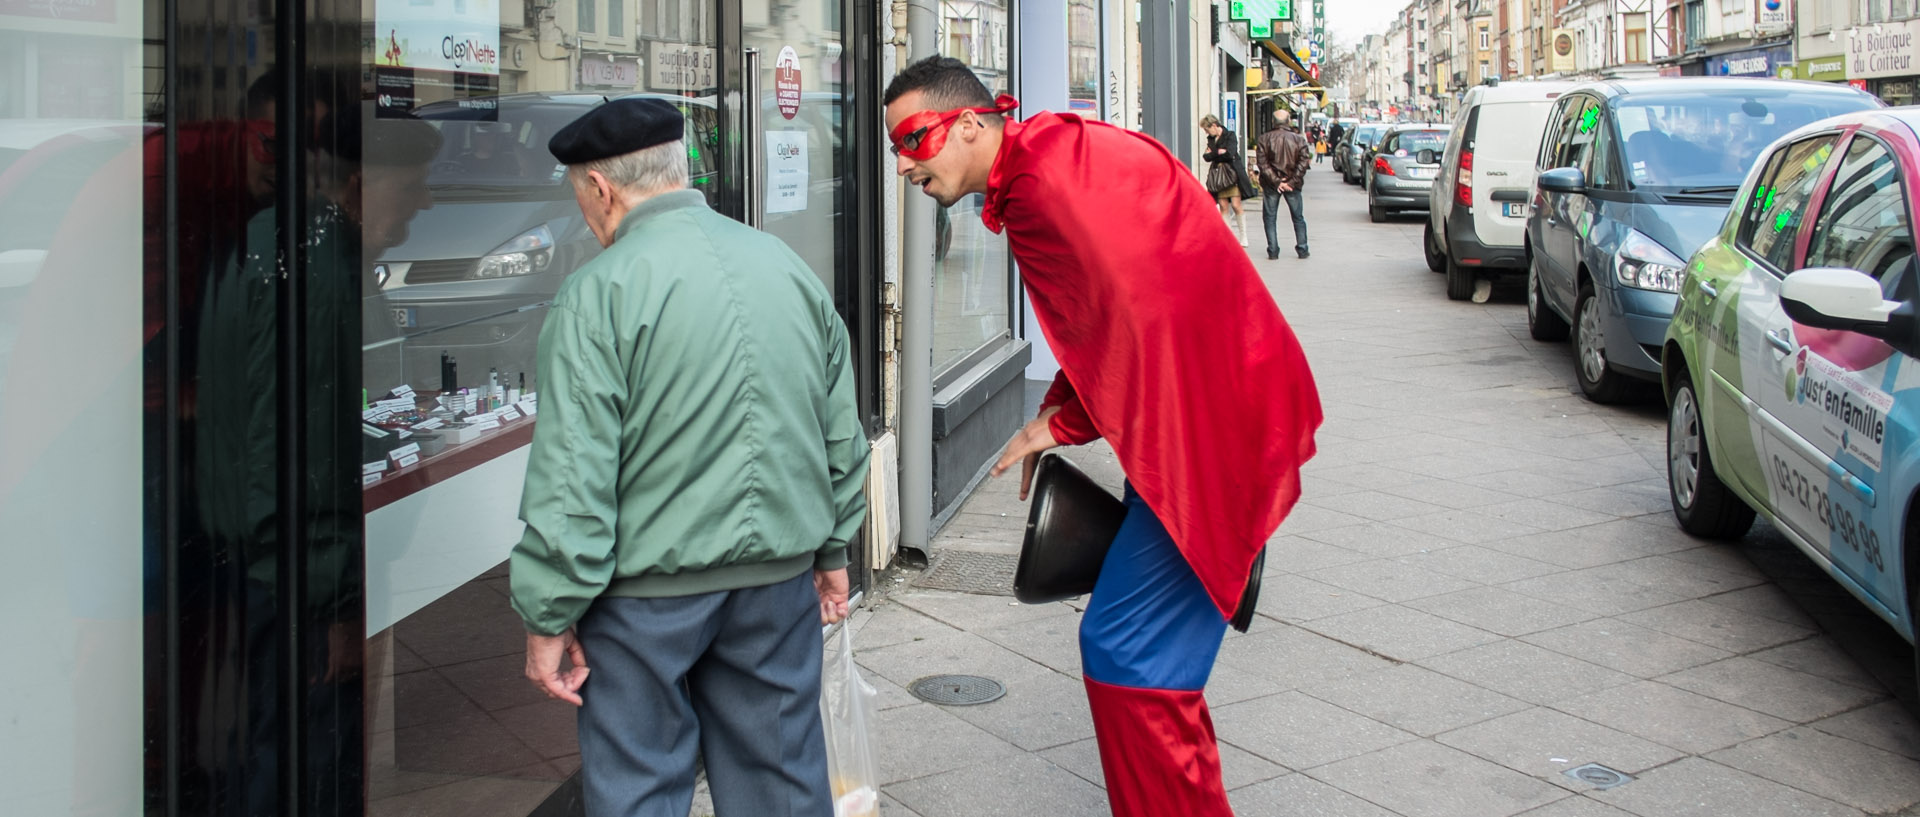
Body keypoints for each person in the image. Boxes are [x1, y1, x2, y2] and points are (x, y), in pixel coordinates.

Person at [884, 56, 1322, 817]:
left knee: (1133, 658)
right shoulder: (1048, 158)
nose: (902, 164)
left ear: (967, 123)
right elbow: (1109, 311)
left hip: (1207, 437)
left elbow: (1133, 310)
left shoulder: (1042, 186)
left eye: (914, 138)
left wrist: (1063, 420)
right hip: (1208, 421)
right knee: (1143, 662)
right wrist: (1056, 415)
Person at [510, 98, 869, 817]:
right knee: (784, 781)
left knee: (640, 783)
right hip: (776, 584)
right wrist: (835, 548)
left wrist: (549, 616)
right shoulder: (785, 266)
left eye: (581, 197)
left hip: (645, 597)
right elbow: (839, 431)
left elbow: (573, 479)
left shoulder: (596, 294)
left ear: (600, 190)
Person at [1256, 108, 1314, 260]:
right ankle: (1302, 248)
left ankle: (1273, 250)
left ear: (1273, 122)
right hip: (1292, 184)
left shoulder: (1264, 139)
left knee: (1270, 217)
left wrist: (1276, 181)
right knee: (1298, 217)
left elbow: (1262, 164)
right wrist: (1291, 181)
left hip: (1271, 184)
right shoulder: (1298, 139)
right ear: (1288, 121)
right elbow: (1303, 163)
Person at [1199, 114, 1255, 247]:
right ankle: (1228, 238)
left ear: (1214, 125)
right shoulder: (1211, 139)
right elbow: (1206, 157)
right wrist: (1218, 152)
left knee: (1236, 205)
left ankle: (1243, 236)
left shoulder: (1230, 135)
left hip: (1231, 174)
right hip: (1218, 177)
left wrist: (1215, 154)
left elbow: (1231, 153)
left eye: (1207, 129)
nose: (1207, 133)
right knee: (1223, 206)